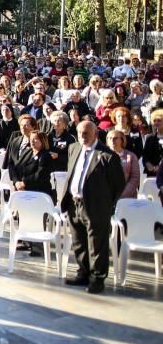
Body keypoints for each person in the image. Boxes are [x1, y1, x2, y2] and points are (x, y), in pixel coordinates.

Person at [62, 120, 125, 294]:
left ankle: (97, 278)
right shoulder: (73, 148)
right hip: (74, 203)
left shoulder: (108, 156)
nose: (82, 136)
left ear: (95, 134)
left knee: (97, 244)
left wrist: (104, 202)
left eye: (86, 133)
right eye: (80, 133)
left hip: (96, 206)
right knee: (78, 242)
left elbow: (118, 184)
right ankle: (83, 272)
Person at [8, 130, 54, 256]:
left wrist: (25, 183)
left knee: (38, 218)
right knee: (24, 215)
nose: (33, 142)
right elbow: (15, 166)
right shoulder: (28, 152)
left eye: (36, 140)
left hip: (39, 191)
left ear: (43, 142)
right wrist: (16, 181)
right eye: (31, 139)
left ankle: (38, 247)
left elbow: (41, 174)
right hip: (23, 189)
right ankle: (27, 241)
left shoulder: (45, 156)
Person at [106, 129, 141, 199]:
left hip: (127, 198)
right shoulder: (102, 155)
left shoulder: (131, 156)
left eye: (115, 138)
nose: (112, 140)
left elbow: (135, 178)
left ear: (122, 140)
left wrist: (122, 195)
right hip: (107, 198)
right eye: (110, 138)